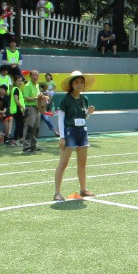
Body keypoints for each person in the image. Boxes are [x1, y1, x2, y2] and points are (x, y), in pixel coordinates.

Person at [53, 71, 96, 201]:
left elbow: (83, 118)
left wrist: (89, 113)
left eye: (81, 82)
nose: (79, 85)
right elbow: (60, 119)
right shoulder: (65, 99)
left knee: (82, 163)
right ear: (71, 84)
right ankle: (57, 193)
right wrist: (62, 137)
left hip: (82, 132)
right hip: (69, 132)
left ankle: (83, 189)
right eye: (76, 82)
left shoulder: (84, 99)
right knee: (63, 163)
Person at [21, 70, 41, 153]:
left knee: (36, 127)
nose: (35, 77)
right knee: (29, 127)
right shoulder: (27, 86)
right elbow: (26, 98)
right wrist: (36, 98)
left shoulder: (37, 85)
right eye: (34, 75)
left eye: (37, 75)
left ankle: (33, 145)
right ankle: (26, 146)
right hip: (30, 108)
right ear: (30, 76)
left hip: (37, 108)